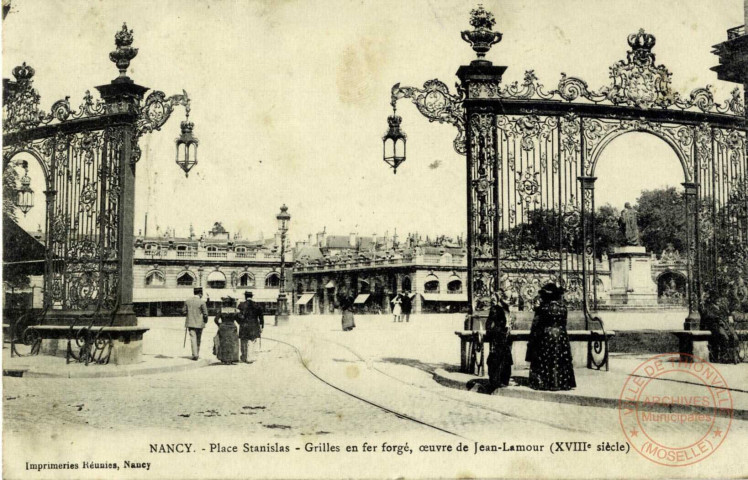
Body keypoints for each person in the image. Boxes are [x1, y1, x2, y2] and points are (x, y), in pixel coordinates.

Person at [526, 283, 576, 391]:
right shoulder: (563, 307)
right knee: (560, 358)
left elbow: (538, 324)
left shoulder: (543, 308)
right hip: (561, 335)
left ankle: (546, 382)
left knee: (546, 359)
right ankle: (562, 382)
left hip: (546, 335)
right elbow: (564, 322)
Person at [485, 292, 513, 390]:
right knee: (498, 358)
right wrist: (491, 333)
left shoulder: (506, 309)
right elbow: (488, 323)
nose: (492, 300)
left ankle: (503, 380)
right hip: (498, 336)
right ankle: (496, 381)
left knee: (504, 358)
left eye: (494, 298)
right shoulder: (495, 309)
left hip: (504, 336)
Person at [238, 291, 264, 363]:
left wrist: (240, 322)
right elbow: (261, 317)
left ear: (245, 297)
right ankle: (250, 357)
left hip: (244, 325)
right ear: (252, 296)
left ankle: (244, 357)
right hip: (254, 325)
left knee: (244, 341)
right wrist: (262, 326)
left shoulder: (241, 305)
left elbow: (238, 316)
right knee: (252, 341)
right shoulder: (257, 305)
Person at [213, 296, 240, 365]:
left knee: (223, 343)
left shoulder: (221, 310)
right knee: (232, 343)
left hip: (223, 327)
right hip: (232, 327)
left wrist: (220, 325)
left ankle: (224, 359)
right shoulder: (234, 310)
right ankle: (231, 359)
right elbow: (238, 319)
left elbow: (216, 319)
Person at [183, 287, 208, 360]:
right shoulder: (202, 302)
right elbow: (205, 314)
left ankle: (195, 354)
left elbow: (183, 311)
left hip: (190, 323)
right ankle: (197, 353)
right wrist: (205, 321)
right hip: (200, 324)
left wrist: (188, 313)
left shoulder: (187, 301)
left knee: (192, 338)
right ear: (200, 294)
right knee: (198, 339)